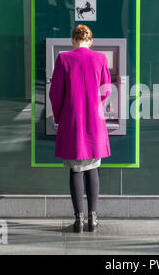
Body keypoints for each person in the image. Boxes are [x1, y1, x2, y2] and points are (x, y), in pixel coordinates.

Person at [49, 24, 111, 233]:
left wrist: (60, 116)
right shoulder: (101, 59)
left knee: (75, 170)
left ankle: (79, 220)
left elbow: (55, 93)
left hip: (72, 120)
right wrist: (95, 105)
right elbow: (106, 89)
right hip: (94, 119)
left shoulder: (64, 58)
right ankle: (93, 219)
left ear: (73, 40)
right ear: (90, 40)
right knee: (93, 167)